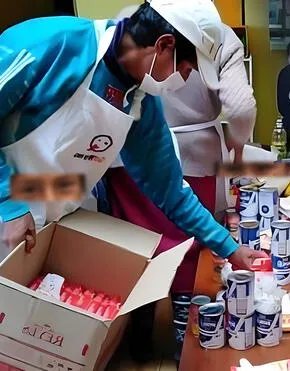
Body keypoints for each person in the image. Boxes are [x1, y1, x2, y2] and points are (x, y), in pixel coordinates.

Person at [0, 1, 267, 268]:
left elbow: (170, 191)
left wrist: (230, 248)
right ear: (163, 45)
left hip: (58, 222)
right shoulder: (54, 45)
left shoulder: (141, 102)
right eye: (186, 69)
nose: (184, 80)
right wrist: (9, 205)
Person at [102, 3, 258, 362]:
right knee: (186, 251)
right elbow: (239, 108)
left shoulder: (130, 19)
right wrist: (236, 147)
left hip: (123, 158)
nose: (186, 74)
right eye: (186, 66)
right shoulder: (218, 34)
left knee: (135, 246)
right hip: (193, 155)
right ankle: (183, 343)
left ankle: (137, 339)